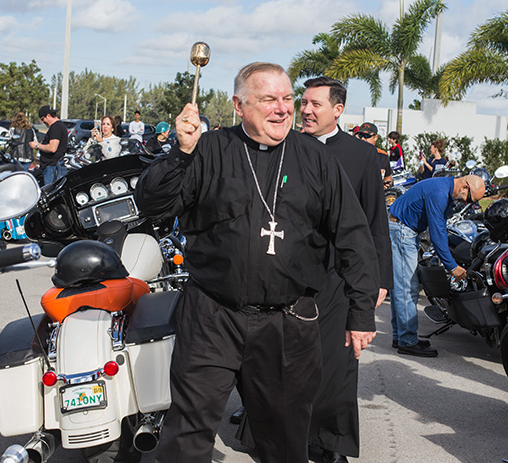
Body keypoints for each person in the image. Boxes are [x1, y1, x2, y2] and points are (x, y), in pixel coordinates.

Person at [135, 62, 379, 463]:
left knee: (284, 440)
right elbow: (153, 204)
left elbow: (353, 234)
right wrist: (181, 152)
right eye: (268, 99)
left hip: (287, 323)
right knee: (187, 434)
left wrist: (361, 311)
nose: (283, 108)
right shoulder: (208, 148)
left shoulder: (315, 159)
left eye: (287, 98)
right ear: (239, 105)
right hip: (212, 315)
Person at [299, 76, 391, 463]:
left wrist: (380, 279)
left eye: (315, 104)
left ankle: (331, 442)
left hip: (339, 276)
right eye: (303, 102)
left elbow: (375, 220)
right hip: (290, 276)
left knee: (337, 365)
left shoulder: (362, 156)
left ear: (338, 110)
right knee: (284, 361)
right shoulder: (285, 147)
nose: (305, 110)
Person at [388, 175, 485, 357]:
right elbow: (437, 231)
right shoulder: (439, 193)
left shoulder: (445, 188)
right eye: (469, 198)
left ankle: (400, 336)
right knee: (407, 288)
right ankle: (407, 342)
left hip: (402, 229)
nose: (466, 202)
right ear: (465, 186)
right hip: (402, 231)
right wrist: (452, 266)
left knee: (400, 287)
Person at [32, 105, 68, 185]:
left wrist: (37, 145)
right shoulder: (59, 126)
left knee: (49, 192)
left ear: (48, 116)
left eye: (42, 119)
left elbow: (52, 148)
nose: (42, 122)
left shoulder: (56, 127)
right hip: (53, 166)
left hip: (52, 166)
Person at [357, 122, 392, 189]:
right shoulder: (353, 153)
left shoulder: (382, 156)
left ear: (375, 137)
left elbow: (387, 177)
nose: (363, 139)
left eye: (367, 136)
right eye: (361, 135)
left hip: (374, 195)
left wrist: (387, 184)